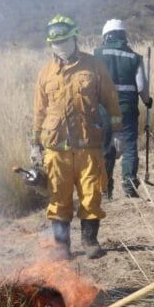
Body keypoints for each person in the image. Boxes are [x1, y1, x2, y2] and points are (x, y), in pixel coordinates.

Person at [31, 15, 122, 259]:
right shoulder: (45, 73)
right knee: (59, 198)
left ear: (74, 38)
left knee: (91, 195)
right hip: (56, 148)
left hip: (88, 144)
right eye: (55, 42)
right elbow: (39, 110)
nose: (60, 46)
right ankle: (62, 247)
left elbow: (111, 100)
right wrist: (34, 142)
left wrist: (118, 132)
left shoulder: (94, 66)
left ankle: (90, 241)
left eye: (64, 40)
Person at [94, 19, 153, 199]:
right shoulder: (134, 57)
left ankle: (105, 189)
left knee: (105, 146)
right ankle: (129, 186)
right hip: (127, 109)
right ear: (124, 36)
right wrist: (147, 101)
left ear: (106, 36)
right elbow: (141, 87)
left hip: (103, 110)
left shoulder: (95, 54)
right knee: (128, 148)